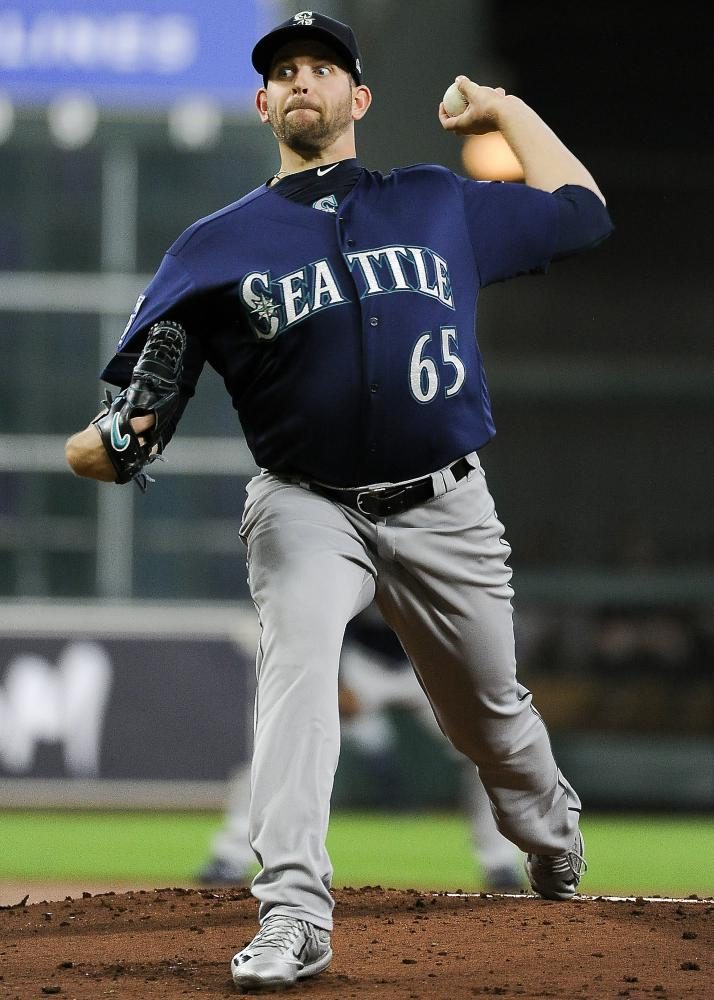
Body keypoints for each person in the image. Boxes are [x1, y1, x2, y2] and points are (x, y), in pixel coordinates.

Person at [64, 10, 613, 992]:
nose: (303, 79)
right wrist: (107, 445)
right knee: (300, 675)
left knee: (489, 716)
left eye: (323, 67)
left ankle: (549, 833)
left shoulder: (437, 201)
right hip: (305, 504)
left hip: (446, 502)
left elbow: (583, 210)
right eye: (285, 71)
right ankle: (291, 911)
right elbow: (130, 421)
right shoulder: (214, 246)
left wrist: (506, 108)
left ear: (358, 98)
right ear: (264, 103)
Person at [196, 606, 525, 893]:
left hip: (432, 659)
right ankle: (230, 855)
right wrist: (336, 680)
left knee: (489, 747)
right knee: (283, 741)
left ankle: (500, 863)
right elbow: (327, 614)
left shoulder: (441, 547)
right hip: (360, 663)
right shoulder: (362, 543)